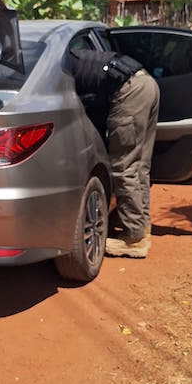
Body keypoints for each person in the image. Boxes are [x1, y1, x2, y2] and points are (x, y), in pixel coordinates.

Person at [69, 49, 160, 258]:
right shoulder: (75, 56)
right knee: (139, 166)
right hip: (147, 83)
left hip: (129, 92)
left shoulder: (61, 71)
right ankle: (142, 228)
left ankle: (134, 239)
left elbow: (92, 115)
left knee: (123, 168)